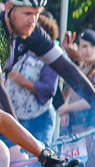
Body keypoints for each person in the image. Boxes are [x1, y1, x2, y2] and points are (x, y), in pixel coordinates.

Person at [0, 0, 95, 132]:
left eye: (36, 13)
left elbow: (66, 70)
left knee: (18, 154)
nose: (32, 20)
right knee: (7, 155)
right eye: (27, 13)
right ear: (9, 7)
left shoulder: (33, 33)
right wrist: (19, 136)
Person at [6, 12, 59, 147]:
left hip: (37, 119)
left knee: (36, 161)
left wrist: (24, 81)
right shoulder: (23, 51)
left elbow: (49, 89)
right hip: (15, 117)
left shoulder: (49, 59)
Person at [58, 29, 95, 132]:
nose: (88, 50)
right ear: (79, 48)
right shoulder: (81, 67)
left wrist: (66, 108)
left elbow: (92, 100)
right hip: (74, 125)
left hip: (90, 126)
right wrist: (66, 109)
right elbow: (70, 92)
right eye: (84, 46)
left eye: (92, 46)